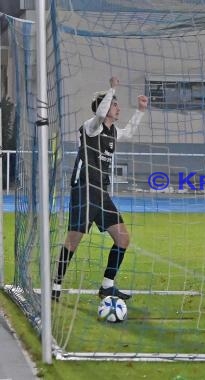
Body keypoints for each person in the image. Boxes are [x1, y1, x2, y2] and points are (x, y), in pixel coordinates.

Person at [51, 77, 148, 302]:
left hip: (101, 192)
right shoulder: (91, 127)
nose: (118, 107)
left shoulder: (113, 132)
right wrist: (111, 88)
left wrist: (141, 110)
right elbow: (100, 115)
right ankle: (55, 284)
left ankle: (107, 286)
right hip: (84, 189)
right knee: (73, 240)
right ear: (104, 107)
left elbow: (130, 132)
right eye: (114, 104)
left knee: (123, 238)